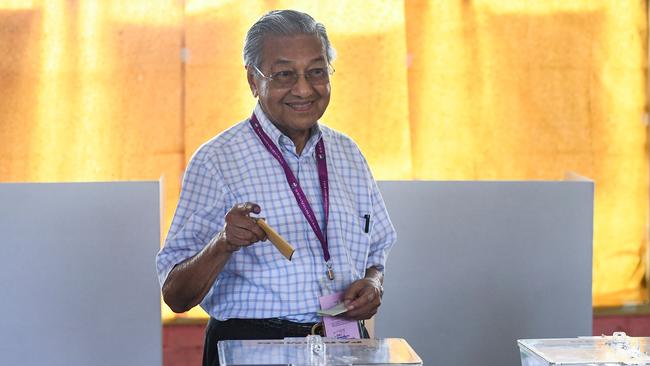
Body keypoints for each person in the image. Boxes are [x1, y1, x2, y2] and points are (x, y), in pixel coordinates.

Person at [156, 9, 396, 366]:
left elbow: (376, 250)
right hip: (251, 348)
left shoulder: (348, 154)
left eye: (316, 71)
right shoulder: (217, 161)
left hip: (342, 344)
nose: (303, 88)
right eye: (284, 74)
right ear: (254, 80)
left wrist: (373, 283)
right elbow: (175, 295)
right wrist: (223, 243)